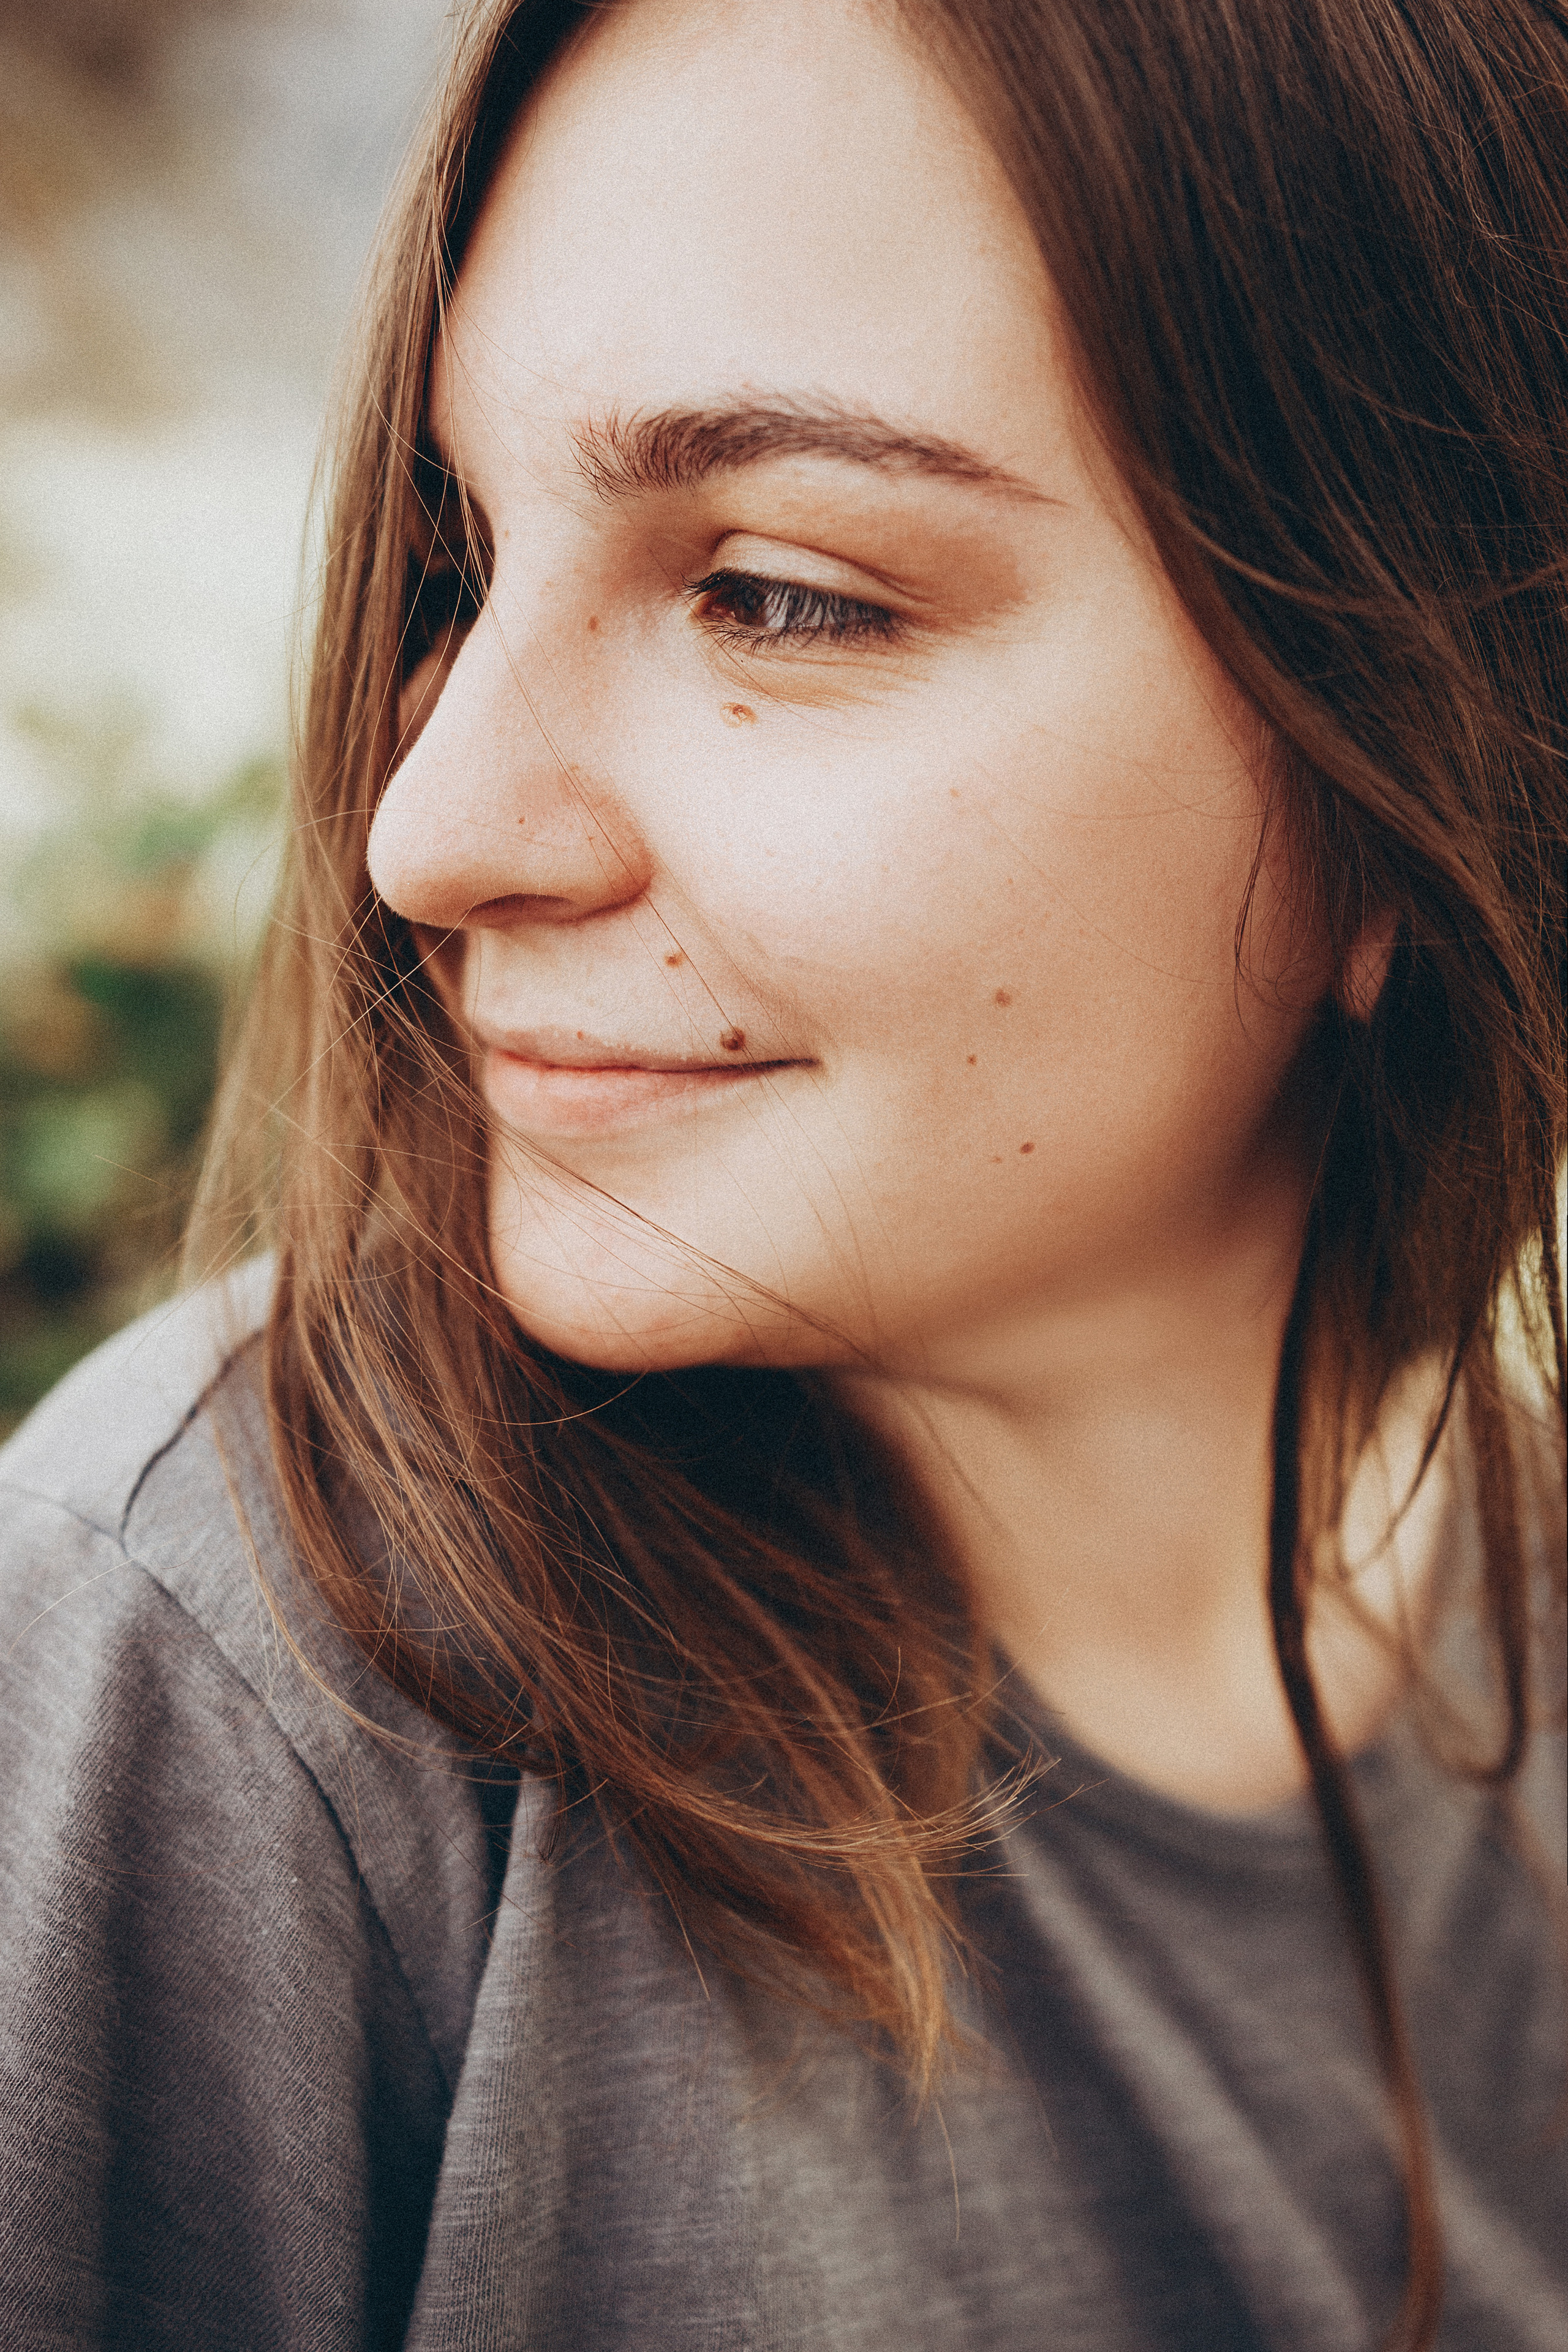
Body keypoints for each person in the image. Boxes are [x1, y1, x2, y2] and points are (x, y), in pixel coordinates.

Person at [1, 0, 1563, 2343]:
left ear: (1438, 733)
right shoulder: (246, 1681)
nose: (429, 831)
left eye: (782, 593)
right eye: (453, 560)